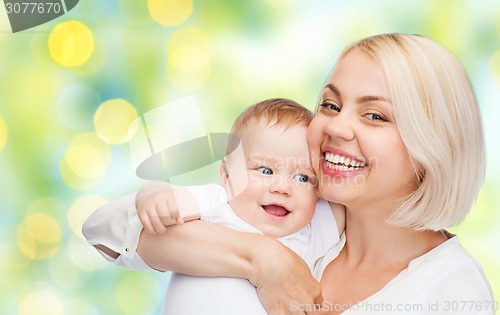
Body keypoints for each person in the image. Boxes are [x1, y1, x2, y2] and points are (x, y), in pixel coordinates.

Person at [85, 33, 495, 315]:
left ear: (433, 146)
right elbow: (108, 230)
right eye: (331, 106)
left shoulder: (453, 293)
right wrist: (261, 258)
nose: (335, 127)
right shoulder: (298, 209)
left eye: (375, 115)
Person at [83, 98, 345, 314]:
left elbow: (358, 205)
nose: (282, 187)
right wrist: (154, 194)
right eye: (265, 170)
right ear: (226, 176)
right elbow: (106, 224)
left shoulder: (309, 231)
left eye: (303, 178)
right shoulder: (217, 202)